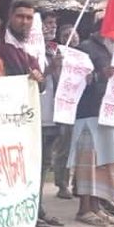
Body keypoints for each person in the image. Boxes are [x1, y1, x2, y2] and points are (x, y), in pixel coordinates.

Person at [69, 32, 114, 226]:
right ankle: (84, 208)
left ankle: (96, 207)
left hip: (109, 115)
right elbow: (75, 78)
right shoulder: (86, 48)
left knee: (103, 165)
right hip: (89, 114)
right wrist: (99, 75)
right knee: (88, 164)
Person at [51, 23, 80, 199]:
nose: (72, 37)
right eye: (67, 34)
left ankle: (79, 184)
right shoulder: (58, 56)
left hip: (81, 108)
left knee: (81, 149)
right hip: (64, 108)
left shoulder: (83, 56)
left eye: (74, 34)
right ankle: (62, 184)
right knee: (64, 148)